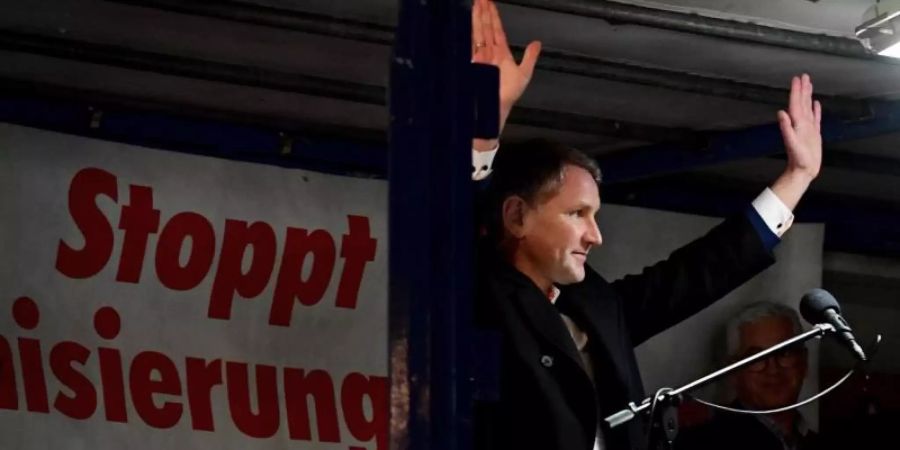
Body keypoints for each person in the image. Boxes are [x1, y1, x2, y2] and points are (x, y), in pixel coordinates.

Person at [467, 1, 824, 450]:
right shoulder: (476, 289)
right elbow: (447, 224)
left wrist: (798, 178)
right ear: (517, 216)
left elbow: (698, 274)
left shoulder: (596, 305)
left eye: (594, 216)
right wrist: (484, 124)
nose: (595, 235)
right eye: (577, 214)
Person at [676, 302, 821, 450]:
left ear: (804, 362)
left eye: (784, 353)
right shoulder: (700, 443)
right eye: (756, 358)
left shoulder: (824, 443)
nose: (773, 369)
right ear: (732, 371)